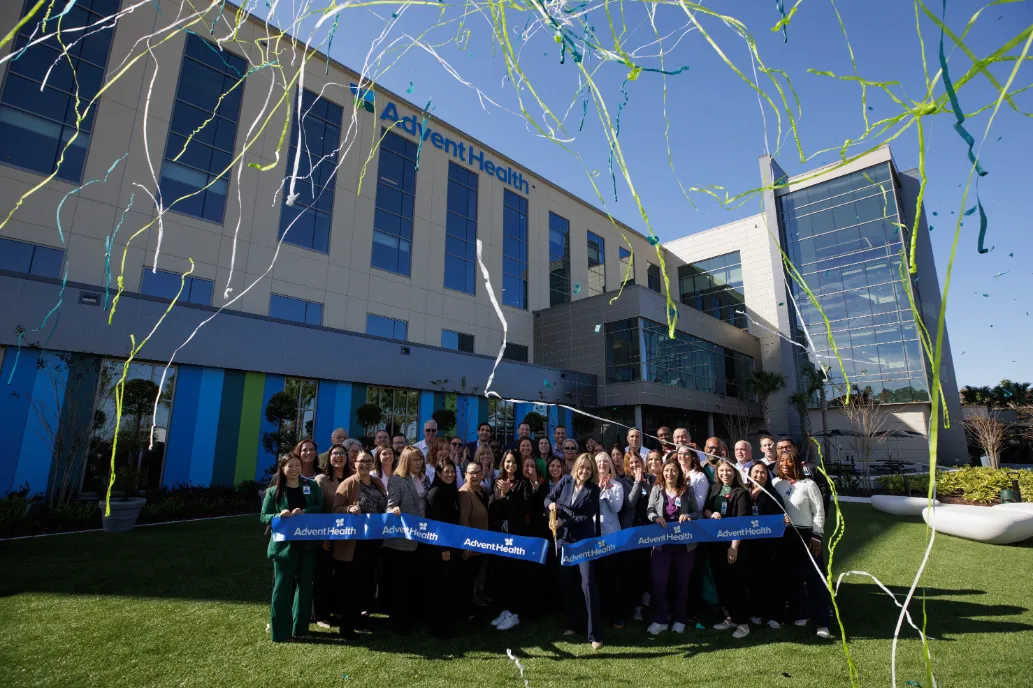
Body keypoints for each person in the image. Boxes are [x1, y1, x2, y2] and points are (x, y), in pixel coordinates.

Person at [261, 453, 324, 642]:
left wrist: (305, 511)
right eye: (290, 466)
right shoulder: (274, 491)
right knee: (282, 588)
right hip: (283, 547)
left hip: (307, 545)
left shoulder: (311, 486)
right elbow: (264, 516)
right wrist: (279, 515)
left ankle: (300, 628)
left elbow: (320, 506)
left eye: (297, 465)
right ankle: (280, 632)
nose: (295, 469)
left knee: (305, 588)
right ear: (282, 468)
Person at [545, 454, 604, 650]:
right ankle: (574, 625)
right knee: (567, 583)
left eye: (588, 468)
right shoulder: (565, 480)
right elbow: (548, 498)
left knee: (588, 583)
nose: (584, 471)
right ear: (576, 466)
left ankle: (595, 633)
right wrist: (551, 506)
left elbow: (586, 517)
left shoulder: (593, 490)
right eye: (582, 467)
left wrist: (564, 519)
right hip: (562, 540)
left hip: (583, 541)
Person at [772, 446, 831, 639]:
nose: (785, 465)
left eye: (789, 462)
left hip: (807, 536)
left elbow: (819, 512)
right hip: (786, 536)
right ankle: (800, 613)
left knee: (814, 579)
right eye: (782, 462)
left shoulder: (808, 484)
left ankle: (822, 622)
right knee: (791, 577)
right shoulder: (776, 483)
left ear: (797, 463)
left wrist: (817, 536)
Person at [331, 451, 387, 639]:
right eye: (361, 461)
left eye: (369, 461)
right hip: (354, 546)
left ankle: (360, 620)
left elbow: (383, 507)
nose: (365, 464)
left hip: (373, 542)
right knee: (351, 586)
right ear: (355, 463)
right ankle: (347, 627)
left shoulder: (377, 482)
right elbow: (335, 510)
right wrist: (348, 509)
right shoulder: (348, 484)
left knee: (366, 585)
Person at [645, 457, 701, 635]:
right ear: (663, 472)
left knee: (681, 583)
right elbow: (649, 510)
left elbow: (697, 512)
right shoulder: (656, 489)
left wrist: (689, 516)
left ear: (679, 473)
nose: (670, 473)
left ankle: (680, 619)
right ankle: (660, 619)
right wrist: (655, 517)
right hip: (661, 544)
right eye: (667, 470)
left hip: (684, 544)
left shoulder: (687, 490)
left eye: (674, 470)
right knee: (659, 581)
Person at [384, 447, 430, 634]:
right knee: (401, 584)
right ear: (405, 461)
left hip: (421, 537)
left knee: (415, 581)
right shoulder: (397, 480)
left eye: (420, 459)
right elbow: (390, 506)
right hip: (402, 540)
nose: (418, 463)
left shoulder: (425, 479)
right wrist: (393, 510)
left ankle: (413, 617)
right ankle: (400, 622)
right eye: (414, 460)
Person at [704, 461, 752, 638]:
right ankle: (730, 617)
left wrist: (733, 546)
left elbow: (742, 522)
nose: (725, 473)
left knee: (737, 584)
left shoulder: (741, 492)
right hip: (716, 544)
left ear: (734, 472)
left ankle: (743, 623)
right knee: (722, 582)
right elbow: (706, 509)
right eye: (722, 470)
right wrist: (711, 515)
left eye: (728, 470)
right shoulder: (715, 488)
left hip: (734, 544)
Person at [488, 451, 530, 631]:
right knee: (502, 574)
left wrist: (508, 493)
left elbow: (524, 508)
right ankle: (505, 610)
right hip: (499, 535)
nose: (510, 465)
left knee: (516, 574)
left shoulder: (523, 483)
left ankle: (516, 613)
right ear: (503, 464)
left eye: (513, 462)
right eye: (507, 462)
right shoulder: (496, 482)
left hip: (517, 535)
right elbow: (492, 507)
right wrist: (501, 495)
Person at [313, 443, 351, 628]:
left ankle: (338, 610)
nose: (338, 457)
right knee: (323, 576)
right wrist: (323, 536)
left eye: (342, 453)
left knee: (342, 576)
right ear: (328, 458)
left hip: (347, 536)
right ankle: (321, 614)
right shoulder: (321, 479)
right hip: (326, 535)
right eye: (334, 454)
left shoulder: (353, 478)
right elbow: (320, 510)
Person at [744, 462, 785, 628]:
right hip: (750, 545)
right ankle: (756, 612)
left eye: (762, 473)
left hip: (769, 545)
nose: (759, 476)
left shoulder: (773, 494)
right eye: (756, 472)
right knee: (754, 579)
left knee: (771, 580)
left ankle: (774, 615)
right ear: (749, 474)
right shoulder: (744, 492)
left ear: (767, 476)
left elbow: (782, 516)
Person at [425, 459, 460, 638]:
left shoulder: (452, 492)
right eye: (446, 471)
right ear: (438, 474)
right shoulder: (435, 493)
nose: (450, 475)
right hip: (439, 549)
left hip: (453, 546)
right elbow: (435, 525)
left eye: (452, 471)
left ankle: (448, 622)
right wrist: (442, 548)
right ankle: (437, 626)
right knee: (439, 587)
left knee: (449, 586)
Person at [620, 451, 654, 623]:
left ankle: (647, 596)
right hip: (632, 531)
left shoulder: (651, 479)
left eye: (637, 462)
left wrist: (645, 483)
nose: (634, 466)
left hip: (649, 530)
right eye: (631, 463)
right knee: (634, 569)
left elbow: (655, 499)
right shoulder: (624, 481)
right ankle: (637, 606)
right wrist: (636, 483)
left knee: (649, 565)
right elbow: (630, 502)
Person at [594, 451, 625, 628]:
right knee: (597, 577)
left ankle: (617, 615)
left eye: (605, 461)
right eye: (598, 461)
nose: (602, 464)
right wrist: (599, 489)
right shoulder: (590, 485)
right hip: (594, 537)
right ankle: (600, 612)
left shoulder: (617, 485)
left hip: (612, 536)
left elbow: (616, 507)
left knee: (613, 578)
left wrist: (606, 491)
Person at [458, 460, 491, 621]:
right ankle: (467, 612)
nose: (475, 476)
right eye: (472, 473)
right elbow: (464, 521)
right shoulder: (464, 493)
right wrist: (467, 546)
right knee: (468, 580)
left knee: (479, 576)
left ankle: (478, 601)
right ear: (465, 475)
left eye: (478, 472)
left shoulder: (483, 490)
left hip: (484, 543)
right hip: (472, 546)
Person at [676, 444, 710, 518]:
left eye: (686, 454)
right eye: (680, 453)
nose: (682, 456)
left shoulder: (699, 476)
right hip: (674, 515)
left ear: (692, 456)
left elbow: (700, 504)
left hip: (693, 518)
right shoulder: (673, 473)